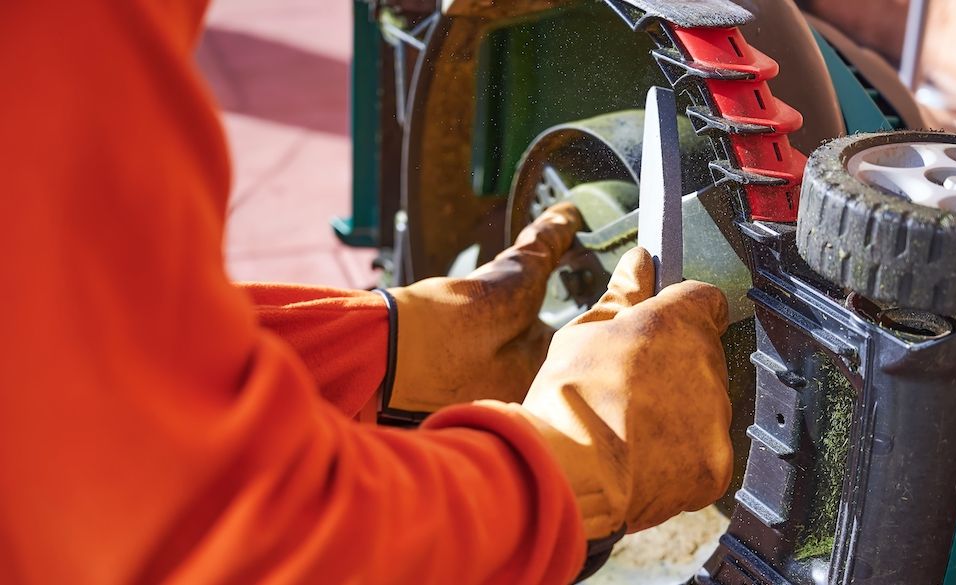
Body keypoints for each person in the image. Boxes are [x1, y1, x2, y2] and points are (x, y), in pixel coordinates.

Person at [0, 1, 733, 583]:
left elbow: (72, 369)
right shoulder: (61, 38)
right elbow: (227, 545)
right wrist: (575, 467)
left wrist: (384, 347)